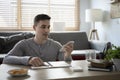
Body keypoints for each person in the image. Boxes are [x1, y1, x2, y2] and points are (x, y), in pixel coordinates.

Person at [3, 14, 73, 67]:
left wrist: (68, 55)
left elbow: (66, 63)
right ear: (34, 27)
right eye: (43, 27)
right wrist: (28, 60)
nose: (47, 30)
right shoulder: (23, 44)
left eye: (48, 27)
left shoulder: (56, 45)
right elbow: (6, 59)